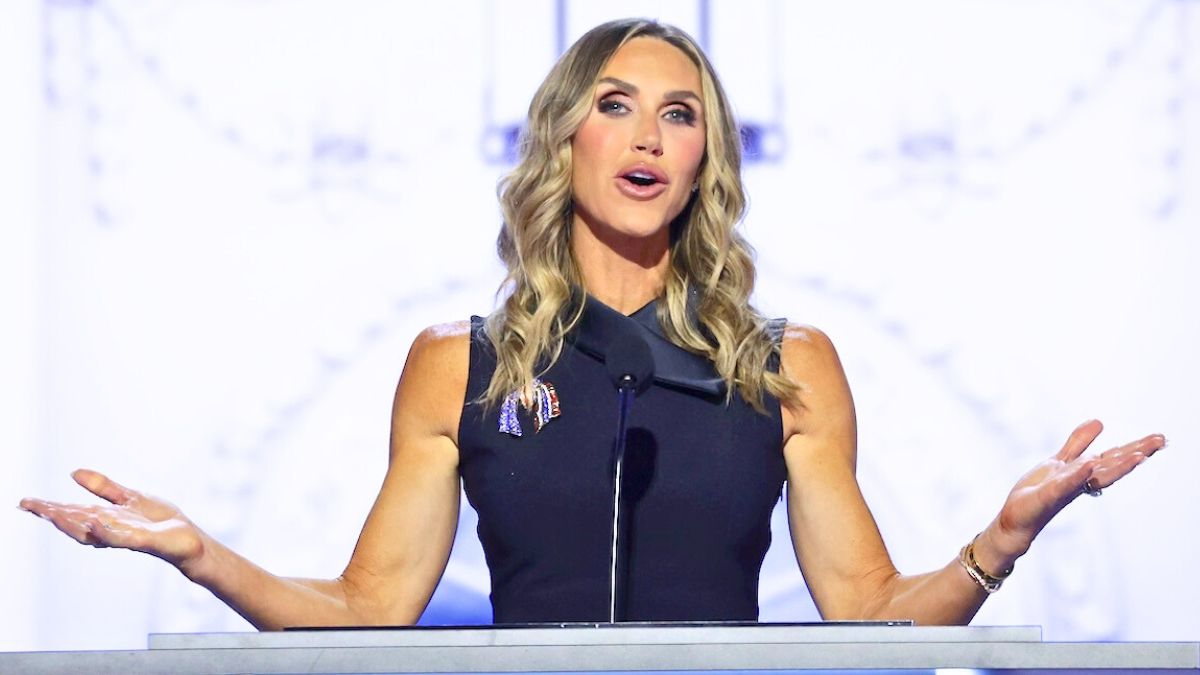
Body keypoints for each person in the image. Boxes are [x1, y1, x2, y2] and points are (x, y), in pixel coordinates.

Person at [18, 19, 1164, 630]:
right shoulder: (453, 365)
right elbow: (365, 612)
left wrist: (1001, 543)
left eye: (680, 115)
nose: (649, 138)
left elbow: (871, 609)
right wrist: (201, 555)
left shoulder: (788, 366)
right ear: (565, 140)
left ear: (708, 155)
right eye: (615, 108)